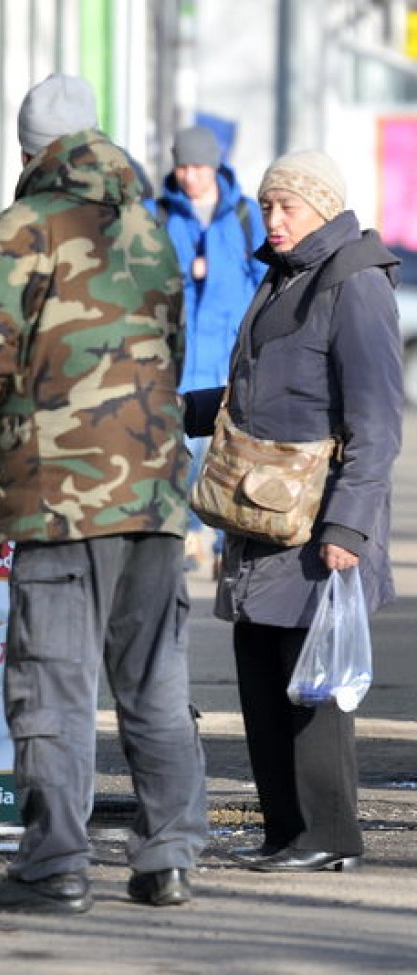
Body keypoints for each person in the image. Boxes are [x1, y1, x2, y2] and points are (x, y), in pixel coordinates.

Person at [0, 73, 207, 915]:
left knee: (51, 684)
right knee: (155, 683)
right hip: (156, 495)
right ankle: (168, 857)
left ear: (29, 152)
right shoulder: (150, 230)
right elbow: (172, 349)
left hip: (61, 500)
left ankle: (54, 861)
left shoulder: (23, 229)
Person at [183, 150, 403, 873]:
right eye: (269, 205)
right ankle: (285, 829)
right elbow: (261, 387)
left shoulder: (353, 283)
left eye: (290, 207)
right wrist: (176, 409)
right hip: (263, 511)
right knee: (260, 671)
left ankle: (327, 834)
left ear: (325, 206)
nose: (274, 220)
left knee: (311, 685)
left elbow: (377, 419)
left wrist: (349, 527)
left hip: (316, 521)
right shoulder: (286, 278)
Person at [149, 124, 266, 578]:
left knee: (220, 458)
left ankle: (219, 543)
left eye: (198, 166)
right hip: (174, 362)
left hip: (225, 360)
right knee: (175, 455)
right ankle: (184, 536)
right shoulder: (158, 215)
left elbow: (262, 285)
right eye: (182, 166)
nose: (190, 175)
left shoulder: (244, 216)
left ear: (214, 166)